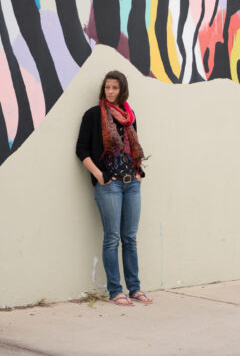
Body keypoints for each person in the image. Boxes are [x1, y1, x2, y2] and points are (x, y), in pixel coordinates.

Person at [76, 70, 152, 306]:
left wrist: (138, 172)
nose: (110, 92)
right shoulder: (92, 115)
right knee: (112, 238)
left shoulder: (129, 116)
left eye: (114, 88)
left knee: (130, 238)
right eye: (107, 88)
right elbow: (82, 150)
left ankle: (135, 288)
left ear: (122, 90)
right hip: (109, 186)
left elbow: (134, 146)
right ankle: (115, 290)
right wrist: (100, 176)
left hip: (132, 185)